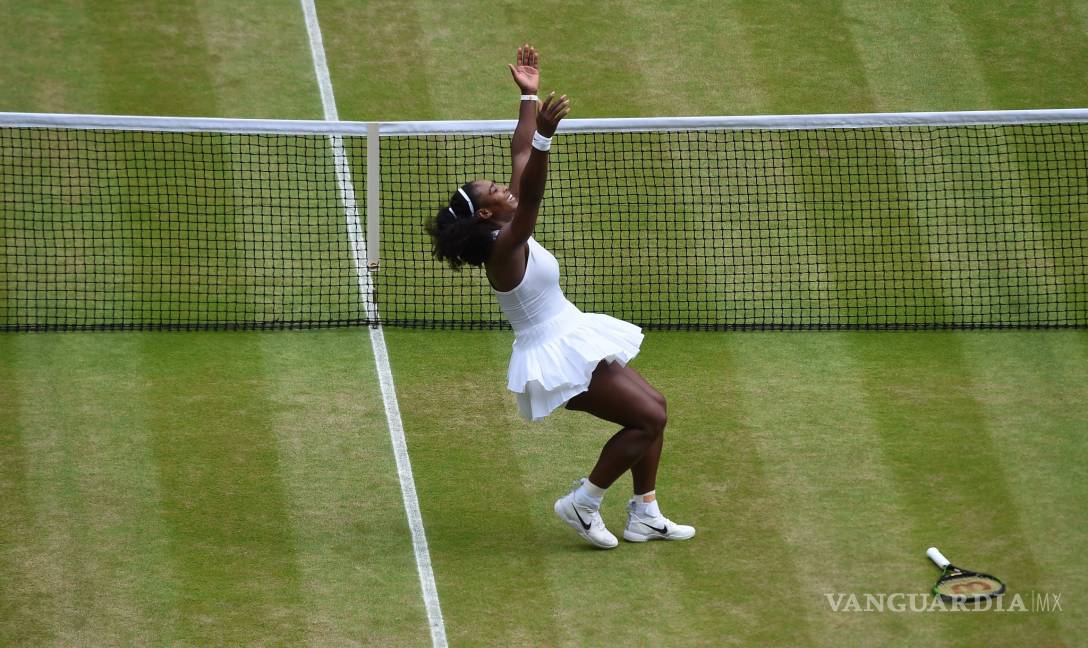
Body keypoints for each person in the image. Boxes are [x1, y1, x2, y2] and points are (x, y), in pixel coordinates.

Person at [425, 45, 694, 549]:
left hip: (572, 329)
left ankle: (645, 512)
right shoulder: (505, 248)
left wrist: (528, 98)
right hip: (553, 352)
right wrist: (547, 137)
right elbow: (531, 188)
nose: (503, 189)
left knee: (654, 406)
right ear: (486, 214)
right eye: (493, 192)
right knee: (649, 418)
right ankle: (584, 502)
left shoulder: (503, 228)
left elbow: (519, 156)